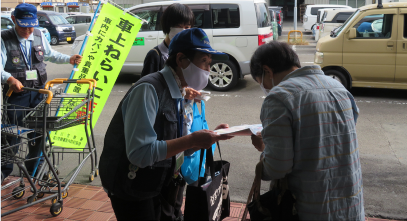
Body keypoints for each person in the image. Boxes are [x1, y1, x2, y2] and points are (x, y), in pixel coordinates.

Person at [99, 28, 232, 220]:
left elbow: (174, 146)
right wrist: (192, 140)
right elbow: (140, 154)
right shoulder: (149, 90)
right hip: (131, 188)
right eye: (204, 62)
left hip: (158, 183)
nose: (208, 70)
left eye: (210, 64)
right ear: (180, 59)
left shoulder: (180, 92)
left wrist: (204, 140)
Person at [249, 41, 364, 220]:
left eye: (261, 82)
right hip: (350, 207)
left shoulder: (279, 97)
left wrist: (265, 151)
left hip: (311, 208)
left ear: (267, 71)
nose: (265, 88)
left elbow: (278, 167)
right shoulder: (338, 87)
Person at [1, 3, 82, 180]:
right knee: (11, 134)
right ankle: (3, 171)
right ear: (14, 20)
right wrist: (10, 79)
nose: (29, 30)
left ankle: (34, 170)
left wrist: (69, 59)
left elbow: (50, 54)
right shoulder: (4, 38)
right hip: (16, 96)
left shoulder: (38, 34)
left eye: (32, 25)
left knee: (38, 133)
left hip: (39, 93)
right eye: (24, 26)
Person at [140, 3, 200, 220]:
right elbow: (150, 96)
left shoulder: (186, 54)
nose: (184, 29)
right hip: (162, 134)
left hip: (180, 125)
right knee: (165, 194)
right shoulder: (155, 55)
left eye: (188, 25)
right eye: (179, 25)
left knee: (177, 189)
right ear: (167, 27)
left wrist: (187, 92)